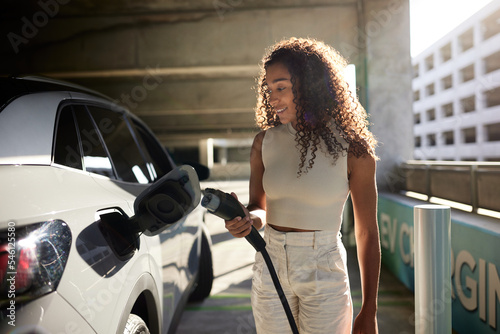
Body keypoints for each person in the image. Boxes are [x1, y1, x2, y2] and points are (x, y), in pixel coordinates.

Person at [224, 37, 380, 334]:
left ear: (309, 86)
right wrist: (247, 219)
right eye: (269, 89)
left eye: (281, 87)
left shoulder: (354, 150)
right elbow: (260, 207)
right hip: (270, 263)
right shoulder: (263, 143)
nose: (273, 97)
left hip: (323, 267)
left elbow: (367, 233)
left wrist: (369, 308)